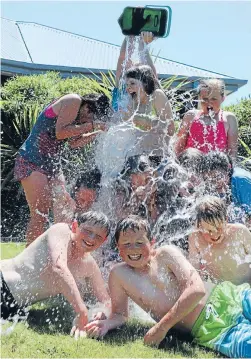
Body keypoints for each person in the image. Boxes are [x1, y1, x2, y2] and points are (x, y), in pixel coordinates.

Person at [84, 215, 251, 358]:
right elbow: (120, 314)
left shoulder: (166, 254)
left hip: (233, 296)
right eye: (126, 244)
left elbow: (197, 290)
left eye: (139, 242)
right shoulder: (118, 275)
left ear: (152, 242)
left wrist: (161, 328)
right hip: (214, 328)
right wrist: (106, 324)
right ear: (118, 248)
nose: (133, 249)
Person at [14, 93, 111, 245]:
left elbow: (73, 143)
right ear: (87, 107)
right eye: (91, 117)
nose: (89, 121)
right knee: (40, 213)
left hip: (51, 166)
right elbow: (60, 133)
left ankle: (59, 251)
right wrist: (92, 125)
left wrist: (97, 133)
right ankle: (29, 260)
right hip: (32, 160)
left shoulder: (78, 119)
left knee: (67, 206)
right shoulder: (74, 100)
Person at [0, 211, 111, 339]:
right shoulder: (61, 231)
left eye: (98, 236)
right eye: (87, 231)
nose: (91, 239)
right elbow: (58, 267)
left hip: (15, 307)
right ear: (75, 226)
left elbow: (106, 301)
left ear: (104, 241)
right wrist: (82, 312)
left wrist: (103, 312)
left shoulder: (89, 265)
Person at [188, 196, 251, 285]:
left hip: (246, 288)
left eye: (219, 228)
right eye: (209, 230)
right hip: (220, 291)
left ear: (226, 220)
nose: (215, 234)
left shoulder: (240, 232)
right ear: (199, 226)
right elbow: (194, 271)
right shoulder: (195, 238)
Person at [175, 79, 238, 161]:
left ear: (223, 98)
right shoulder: (190, 116)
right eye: (205, 99)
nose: (209, 103)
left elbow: (232, 151)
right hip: (191, 165)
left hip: (215, 168)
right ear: (199, 98)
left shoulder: (229, 119)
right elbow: (178, 146)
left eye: (214, 99)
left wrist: (229, 170)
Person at [112, 32, 158, 113]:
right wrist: (129, 35)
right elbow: (122, 58)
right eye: (127, 84)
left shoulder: (148, 96)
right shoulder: (121, 93)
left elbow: (151, 73)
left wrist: (143, 44)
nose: (128, 87)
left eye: (132, 83)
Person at [201, 151, 251, 224]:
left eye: (218, 177)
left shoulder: (241, 181)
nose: (214, 184)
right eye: (209, 180)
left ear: (228, 168)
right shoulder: (212, 185)